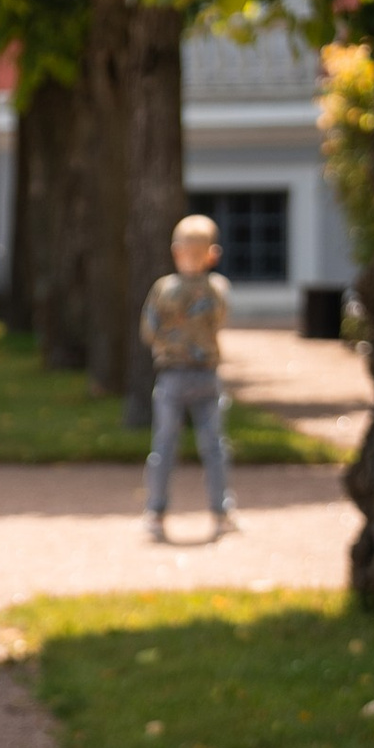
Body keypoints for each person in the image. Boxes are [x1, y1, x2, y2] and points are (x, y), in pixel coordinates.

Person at [141, 212, 238, 543]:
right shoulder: (217, 289)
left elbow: (148, 331)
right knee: (214, 447)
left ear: (175, 250)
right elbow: (222, 320)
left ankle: (155, 512)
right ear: (214, 254)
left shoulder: (163, 289)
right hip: (207, 376)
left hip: (171, 378)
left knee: (164, 446)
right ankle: (221, 512)